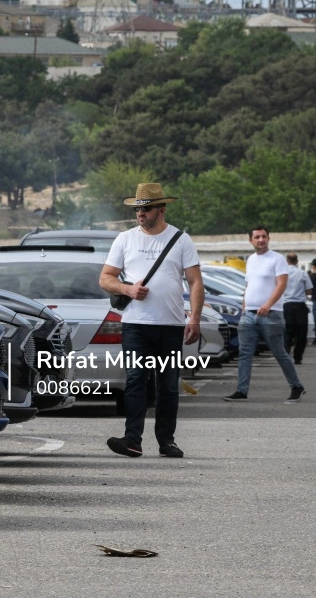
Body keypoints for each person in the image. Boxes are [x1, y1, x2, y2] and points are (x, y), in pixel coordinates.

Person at [99, 183, 203, 459]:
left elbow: (195, 282)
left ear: (161, 209)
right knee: (136, 381)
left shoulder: (181, 240)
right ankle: (132, 439)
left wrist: (195, 318)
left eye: (146, 208)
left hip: (170, 326)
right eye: (137, 209)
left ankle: (166, 441)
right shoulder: (125, 239)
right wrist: (127, 289)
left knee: (168, 385)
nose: (140, 213)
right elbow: (106, 278)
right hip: (136, 325)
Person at [224, 227, 306, 402]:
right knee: (245, 353)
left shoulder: (277, 259)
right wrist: (244, 308)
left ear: (269, 238)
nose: (261, 239)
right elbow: (249, 287)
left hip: (271, 314)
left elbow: (281, 285)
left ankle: (296, 386)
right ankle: (241, 391)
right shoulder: (251, 260)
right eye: (257, 237)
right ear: (251, 240)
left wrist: (268, 305)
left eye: (264, 236)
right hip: (249, 314)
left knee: (279, 352)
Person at [282, 252, 312, 363]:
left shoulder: (283, 274)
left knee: (287, 332)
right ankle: (298, 357)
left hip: (286, 305)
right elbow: (309, 290)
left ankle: (285, 356)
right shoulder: (302, 273)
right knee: (301, 333)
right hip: (300, 305)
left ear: (286, 261)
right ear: (297, 261)